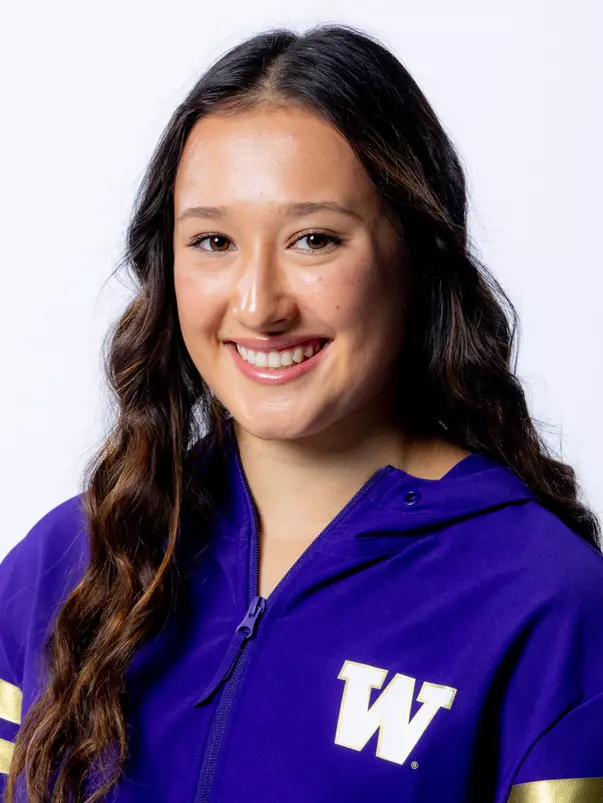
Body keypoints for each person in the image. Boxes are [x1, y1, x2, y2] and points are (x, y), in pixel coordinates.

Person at [1, 21, 602, 803]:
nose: (258, 304)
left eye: (314, 239)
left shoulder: (541, 600)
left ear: (416, 254)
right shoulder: (66, 564)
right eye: (213, 241)